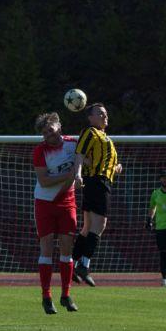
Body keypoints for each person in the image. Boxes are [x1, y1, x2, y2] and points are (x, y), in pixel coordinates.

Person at [71, 103, 123, 287]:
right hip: (97, 182)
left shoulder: (105, 137)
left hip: (100, 181)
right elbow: (79, 153)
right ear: (90, 118)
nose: (105, 116)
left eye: (106, 113)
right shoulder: (90, 132)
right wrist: (77, 174)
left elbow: (98, 160)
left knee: (88, 227)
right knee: (100, 225)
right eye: (100, 113)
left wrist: (116, 167)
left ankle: (71, 264)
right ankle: (84, 265)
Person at [32, 112, 79, 314]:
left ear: (59, 126)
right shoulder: (40, 151)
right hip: (45, 203)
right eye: (44, 133)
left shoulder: (73, 144)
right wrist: (69, 175)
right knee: (47, 249)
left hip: (67, 202)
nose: (48, 135)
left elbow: (86, 162)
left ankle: (66, 295)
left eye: (50, 130)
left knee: (67, 249)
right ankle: (46, 296)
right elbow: (44, 181)